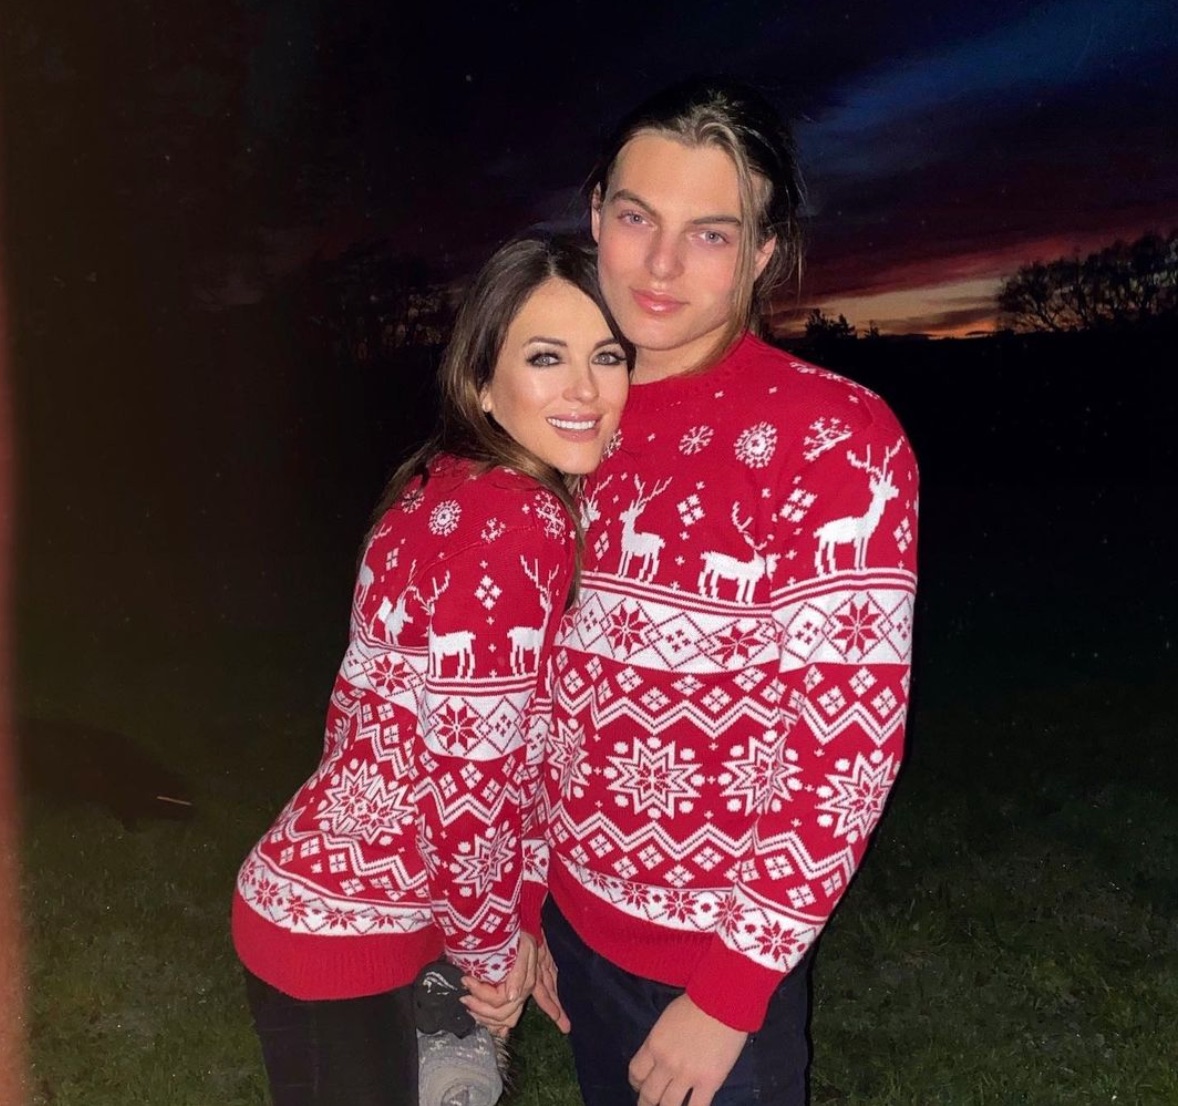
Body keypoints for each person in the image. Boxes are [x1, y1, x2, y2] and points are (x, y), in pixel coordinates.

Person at [538, 77, 919, 1106]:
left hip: (711, 973)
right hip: (574, 928)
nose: (660, 264)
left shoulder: (833, 438)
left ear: (760, 254)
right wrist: (530, 898)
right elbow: (540, 683)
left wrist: (729, 992)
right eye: (636, 218)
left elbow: (845, 749)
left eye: (709, 234)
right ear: (595, 218)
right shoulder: (563, 421)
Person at [231, 233, 630, 1106]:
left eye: (607, 356)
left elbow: (371, 718)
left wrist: (519, 911)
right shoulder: (521, 520)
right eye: (546, 357)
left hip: (313, 899)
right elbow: (472, 779)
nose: (586, 389)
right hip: (349, 932)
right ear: (482, 382)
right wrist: (490, 956)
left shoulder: (440, 484)